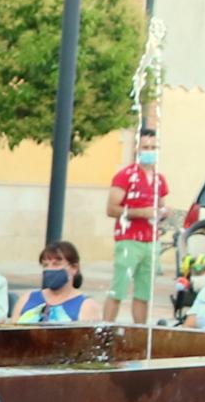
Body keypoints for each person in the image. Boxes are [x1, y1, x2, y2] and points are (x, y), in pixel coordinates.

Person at [106, 125, 168, 330]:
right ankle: (105, 329)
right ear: (136, 150)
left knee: (144, 291)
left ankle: (140, 332)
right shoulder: (125, 176)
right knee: (119, 288)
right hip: (129, 239)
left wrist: (164, 213)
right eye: (145, 147)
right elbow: (112, 208)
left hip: (151, 240)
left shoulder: (159, 179)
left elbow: (162, 206)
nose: (149, 152)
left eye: (153, 147)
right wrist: (141, 212)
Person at [13, 241, 93, 325]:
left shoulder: (86, 305)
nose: (50, 269)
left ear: (74, 268)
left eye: (56, 264)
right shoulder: (26, 298)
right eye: (45, 265)